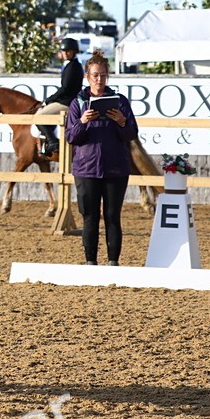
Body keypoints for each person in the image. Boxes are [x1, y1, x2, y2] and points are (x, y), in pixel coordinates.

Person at [64, 49, 138, 266]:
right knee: (90, 218)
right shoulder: (77, 103)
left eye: (103, 75)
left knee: (113, 217)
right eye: (95, 75)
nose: (99, 79)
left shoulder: (120, 101)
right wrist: (82, 122)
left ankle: (113, 261)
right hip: (86, 168)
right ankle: (90, 262)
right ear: (87, 77)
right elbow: (71, 137)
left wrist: (122, 122)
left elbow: (131, 134)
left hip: (115, 168)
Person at [37, 37, 84, 156]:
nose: (66, 53)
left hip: (67, 102)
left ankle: (53, 142)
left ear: (74, 52)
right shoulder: (71, 65)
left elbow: (65, 88)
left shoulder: (73, 66)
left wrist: (50, 99)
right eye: (64, 51)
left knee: (39, 117)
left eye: (68, 51)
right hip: (67, 100)